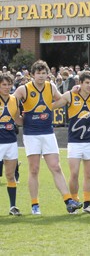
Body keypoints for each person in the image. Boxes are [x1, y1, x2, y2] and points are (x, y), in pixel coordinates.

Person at [13, 60, 82, 215]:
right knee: (34, 169)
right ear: (32, 75)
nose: (41, 76)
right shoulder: (24, 89)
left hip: (48, 132)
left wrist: (72, 91)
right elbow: (11, 103)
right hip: (31, 135)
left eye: (44, 73)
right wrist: (19, 120)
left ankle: (68, 201)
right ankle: (35, 204)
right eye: (38, 73)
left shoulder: (50, 87)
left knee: (56, 167)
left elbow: (61, 100)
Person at [52, 71, 90, 214]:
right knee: (74, 173)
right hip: (74, 141)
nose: (89, 86)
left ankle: (87, 205)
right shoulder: (71, 95)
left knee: (89, 175)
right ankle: (74, 203)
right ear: (80, 83)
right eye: (86, 83)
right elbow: (54, 104)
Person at [0, 73, 23, 215]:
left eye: (9, 84)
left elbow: (18, 119)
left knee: (10, 175)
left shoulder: (15, 100)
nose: (7, 87)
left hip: (11, 142)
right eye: (4, 84)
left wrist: (33, 119)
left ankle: (12, 207)